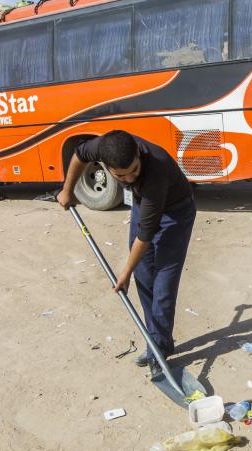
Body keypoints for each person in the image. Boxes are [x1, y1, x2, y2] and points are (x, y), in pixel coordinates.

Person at [58, 130, 195, 375]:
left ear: (138, 155)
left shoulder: (156, 171)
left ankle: (159, 351)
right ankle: (155, 341)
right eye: (122, 175)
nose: (130, 177)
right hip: (143, 206)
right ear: (106, 167)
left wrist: (124, 273)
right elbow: (79, 155)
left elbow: (145, 236)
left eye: (134, 169)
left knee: (163, 283)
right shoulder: (102, 147)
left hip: (175, 212)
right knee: (144, 277)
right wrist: (68, 190)